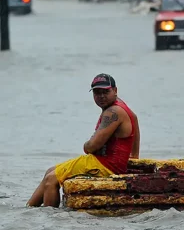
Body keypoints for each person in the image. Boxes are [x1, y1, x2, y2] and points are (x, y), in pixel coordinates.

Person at [27, 73, 140, 208]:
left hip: (106, 165)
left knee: (51, 180)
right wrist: (134, 154)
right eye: (97, 93)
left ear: (115, 91)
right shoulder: (120, 105)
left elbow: (92, 146)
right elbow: (135, 118)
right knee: (50, 171)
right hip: (104, 162)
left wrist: (86, 145)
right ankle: (29, 209)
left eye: (106, 92)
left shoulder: (113, 112)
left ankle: (50, 217)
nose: (102, 96)